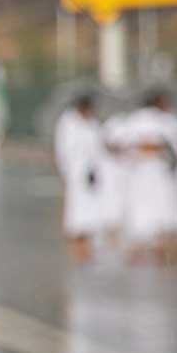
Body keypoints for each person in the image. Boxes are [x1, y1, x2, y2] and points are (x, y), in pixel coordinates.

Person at [113, 90, 177, 263]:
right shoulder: (148, 120)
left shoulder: (154, 120)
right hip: (145, 176)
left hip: (156, 176)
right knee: (151, 220)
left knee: (158, 219)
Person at [54, 93, 108, 261]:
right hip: (76, 171)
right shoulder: (68, 122)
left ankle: (88, 244)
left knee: (92, 208)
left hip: (93, 171)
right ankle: (76, 245)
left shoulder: (93, 124)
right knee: (76, 207)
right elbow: (64, 150)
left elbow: (99, 146)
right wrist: (68, 170)